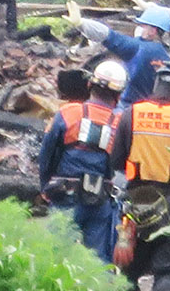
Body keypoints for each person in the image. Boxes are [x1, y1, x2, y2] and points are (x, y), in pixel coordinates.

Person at [110, 63, 170, 291]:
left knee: (128, 272)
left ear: (156, 84)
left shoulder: (130, 115)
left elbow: (115, 162)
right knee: (168, 272)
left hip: (136, 204)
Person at [39, 60, 127, 262]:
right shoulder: (120, 122)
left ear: (90, 85)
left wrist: (45, 186)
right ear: (119, 94)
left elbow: (47, 153)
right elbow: (122, 166)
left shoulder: (68, 113)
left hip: (65, 196)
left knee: (56, 258)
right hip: (101, 200)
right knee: (97, 263)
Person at [64, 0, 170, 109]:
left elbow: (107, 35)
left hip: (128, 107)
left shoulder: (138, 47)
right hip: (155, 110)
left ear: (152, 31)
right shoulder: (169, 56)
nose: (140, 28)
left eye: (143, 25)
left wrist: (82, 24)